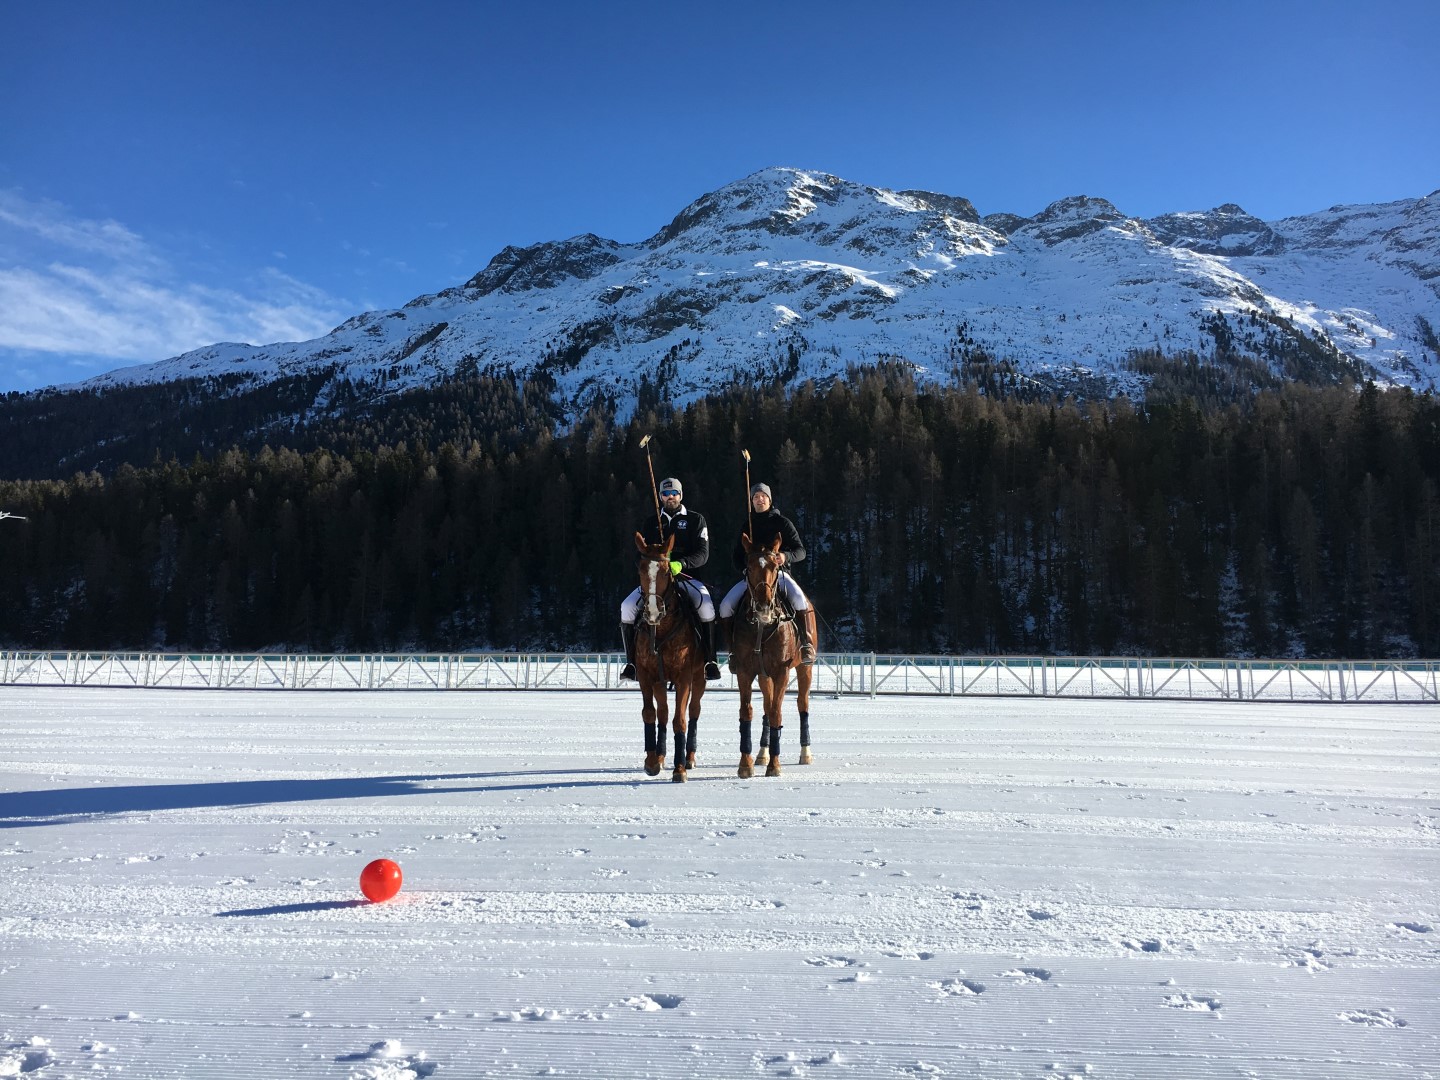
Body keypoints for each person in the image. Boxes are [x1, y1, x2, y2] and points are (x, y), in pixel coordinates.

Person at [620, 477, 722, 682]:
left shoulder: (696, 520)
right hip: (657, 582)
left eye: (674, 493)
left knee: (707, 608)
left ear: (681, 495)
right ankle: (631, 663)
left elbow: (703, 554)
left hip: (687, 578)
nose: (670, 497)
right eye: (665, 494)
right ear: (660, 497)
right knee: (627, 607)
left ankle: (710, 660)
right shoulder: (651, 522)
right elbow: (639, 554)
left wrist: (680, 564)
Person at [719, 482, 817, 663]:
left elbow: (801, 551)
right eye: (755, 497)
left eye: (763, 496)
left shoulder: (783, 523)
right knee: (725, 607)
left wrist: (785, 556)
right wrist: (745, 569)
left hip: (779, 575)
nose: (759, 499)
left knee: (800, 600)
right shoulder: (746, 525)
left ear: (769, 500)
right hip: (752, 579)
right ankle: (733, 650)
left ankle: (806, 644)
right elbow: (736, 556)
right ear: (752, 501)